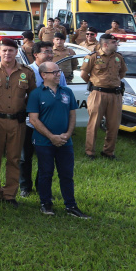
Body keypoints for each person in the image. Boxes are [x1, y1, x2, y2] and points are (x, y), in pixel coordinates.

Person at [28, 62, 90, 219]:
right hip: (43, 142)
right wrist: (52, 137)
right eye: (54, 72)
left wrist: (68, 134)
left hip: (65, 142)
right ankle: (46, 204)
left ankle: (71, 206)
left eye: (59, 71)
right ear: (44, 75)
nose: (58, 74)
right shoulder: (36, 94)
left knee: (66, 174)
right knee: (45, 173)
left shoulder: (67, 91)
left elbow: (72, 115)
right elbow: (34, 120)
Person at [0, 39, 36, 207]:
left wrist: (25, 112)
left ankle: (10, 194)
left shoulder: (26, 72)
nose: (7, 53)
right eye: (4, 50)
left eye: (11, 50)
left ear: (16, 52)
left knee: (14, 159)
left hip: (17, 122)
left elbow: (33, 96)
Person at [20, 41, 67, 197]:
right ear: (36, 55)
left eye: (51, 52)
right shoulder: (27, 72)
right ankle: (25, 186)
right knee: (25, 157)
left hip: (49, 124)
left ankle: (42, 187)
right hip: (29, 123)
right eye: (46, 52)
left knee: (45, 158)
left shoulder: (58, 73)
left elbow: (64, 94)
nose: (50, 55)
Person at [81, 34, 127, 160]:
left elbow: (122, 73)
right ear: (105, 44)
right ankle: (90, 151)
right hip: (98, 94)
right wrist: (97, 83)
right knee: (94, 124)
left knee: (113, 124)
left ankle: (108, 152)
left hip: (115, 95)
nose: (116, 44)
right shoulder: (92, 57)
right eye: (114, 42)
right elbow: (84, 75)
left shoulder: (118, 58)